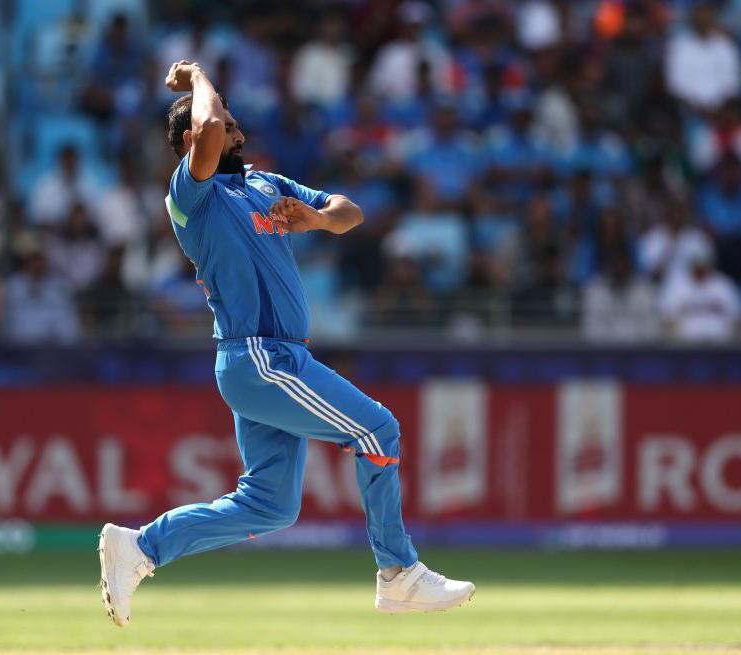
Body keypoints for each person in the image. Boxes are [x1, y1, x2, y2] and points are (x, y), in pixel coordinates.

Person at [98, 61, 474, 628]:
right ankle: (399, 574)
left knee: (271, 505)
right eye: (218, 112)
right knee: (377, 429)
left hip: (279, 359)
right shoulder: (188, 197)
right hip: (259, 356)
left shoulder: (265, 183)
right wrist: (200, 79)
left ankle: (143, 548)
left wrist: (315, 220)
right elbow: (209, 132)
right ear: (190, 139)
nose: (229, 118)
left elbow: (351, 212)